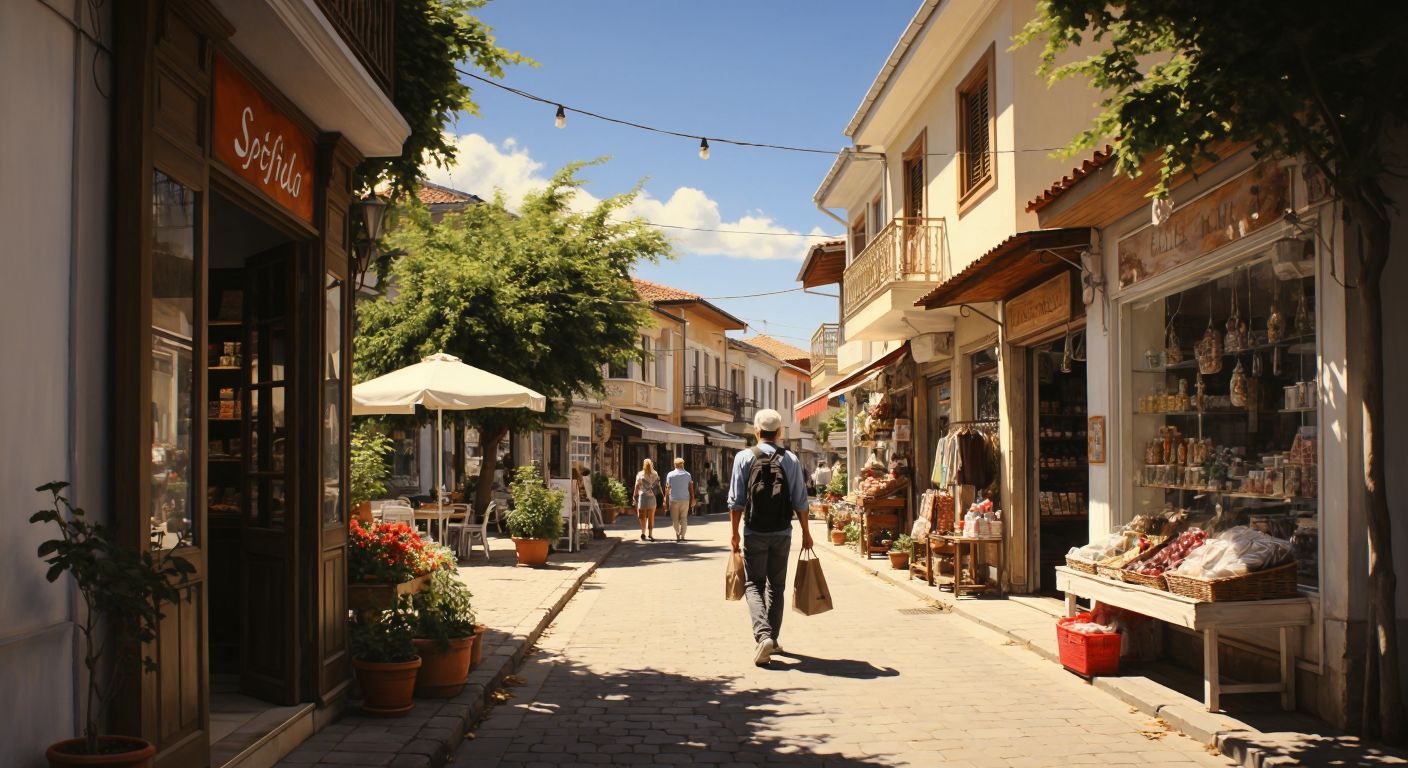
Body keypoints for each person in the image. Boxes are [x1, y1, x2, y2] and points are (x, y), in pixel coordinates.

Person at [728, 409, 814, 666]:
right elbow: (800, 501)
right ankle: (772, 640)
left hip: (754, 531)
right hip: (782, 532)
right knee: (776, 587)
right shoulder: (791, 459)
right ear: (779, 433)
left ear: (756, 431)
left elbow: (736, 503)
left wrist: (734, 535)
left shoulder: (743, 457)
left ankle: (763, 636)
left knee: (753, 584)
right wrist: (807, 534)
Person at [664, 457, 695, 542]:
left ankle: (677, 534)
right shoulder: (688, 475)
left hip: (674, 499)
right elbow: (691, 487)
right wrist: (693, 498)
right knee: (684, 518)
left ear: (674, 464)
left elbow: (667, 487)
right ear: (682, 464)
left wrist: (665, 498)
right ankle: (683, 536)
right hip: (685, 499)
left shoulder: (670, 474)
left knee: (675, 519)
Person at [633, 458, 662, 541]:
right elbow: (658, 486)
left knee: (642, 517)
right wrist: (662, 496)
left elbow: (636, 486)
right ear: (652, 464)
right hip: (652, 498)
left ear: (643, 465)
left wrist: (634, 496)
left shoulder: (640, 474)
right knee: (651, 517)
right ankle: (650, 534)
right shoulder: (655, 474)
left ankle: (643, 532)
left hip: (643, 498)